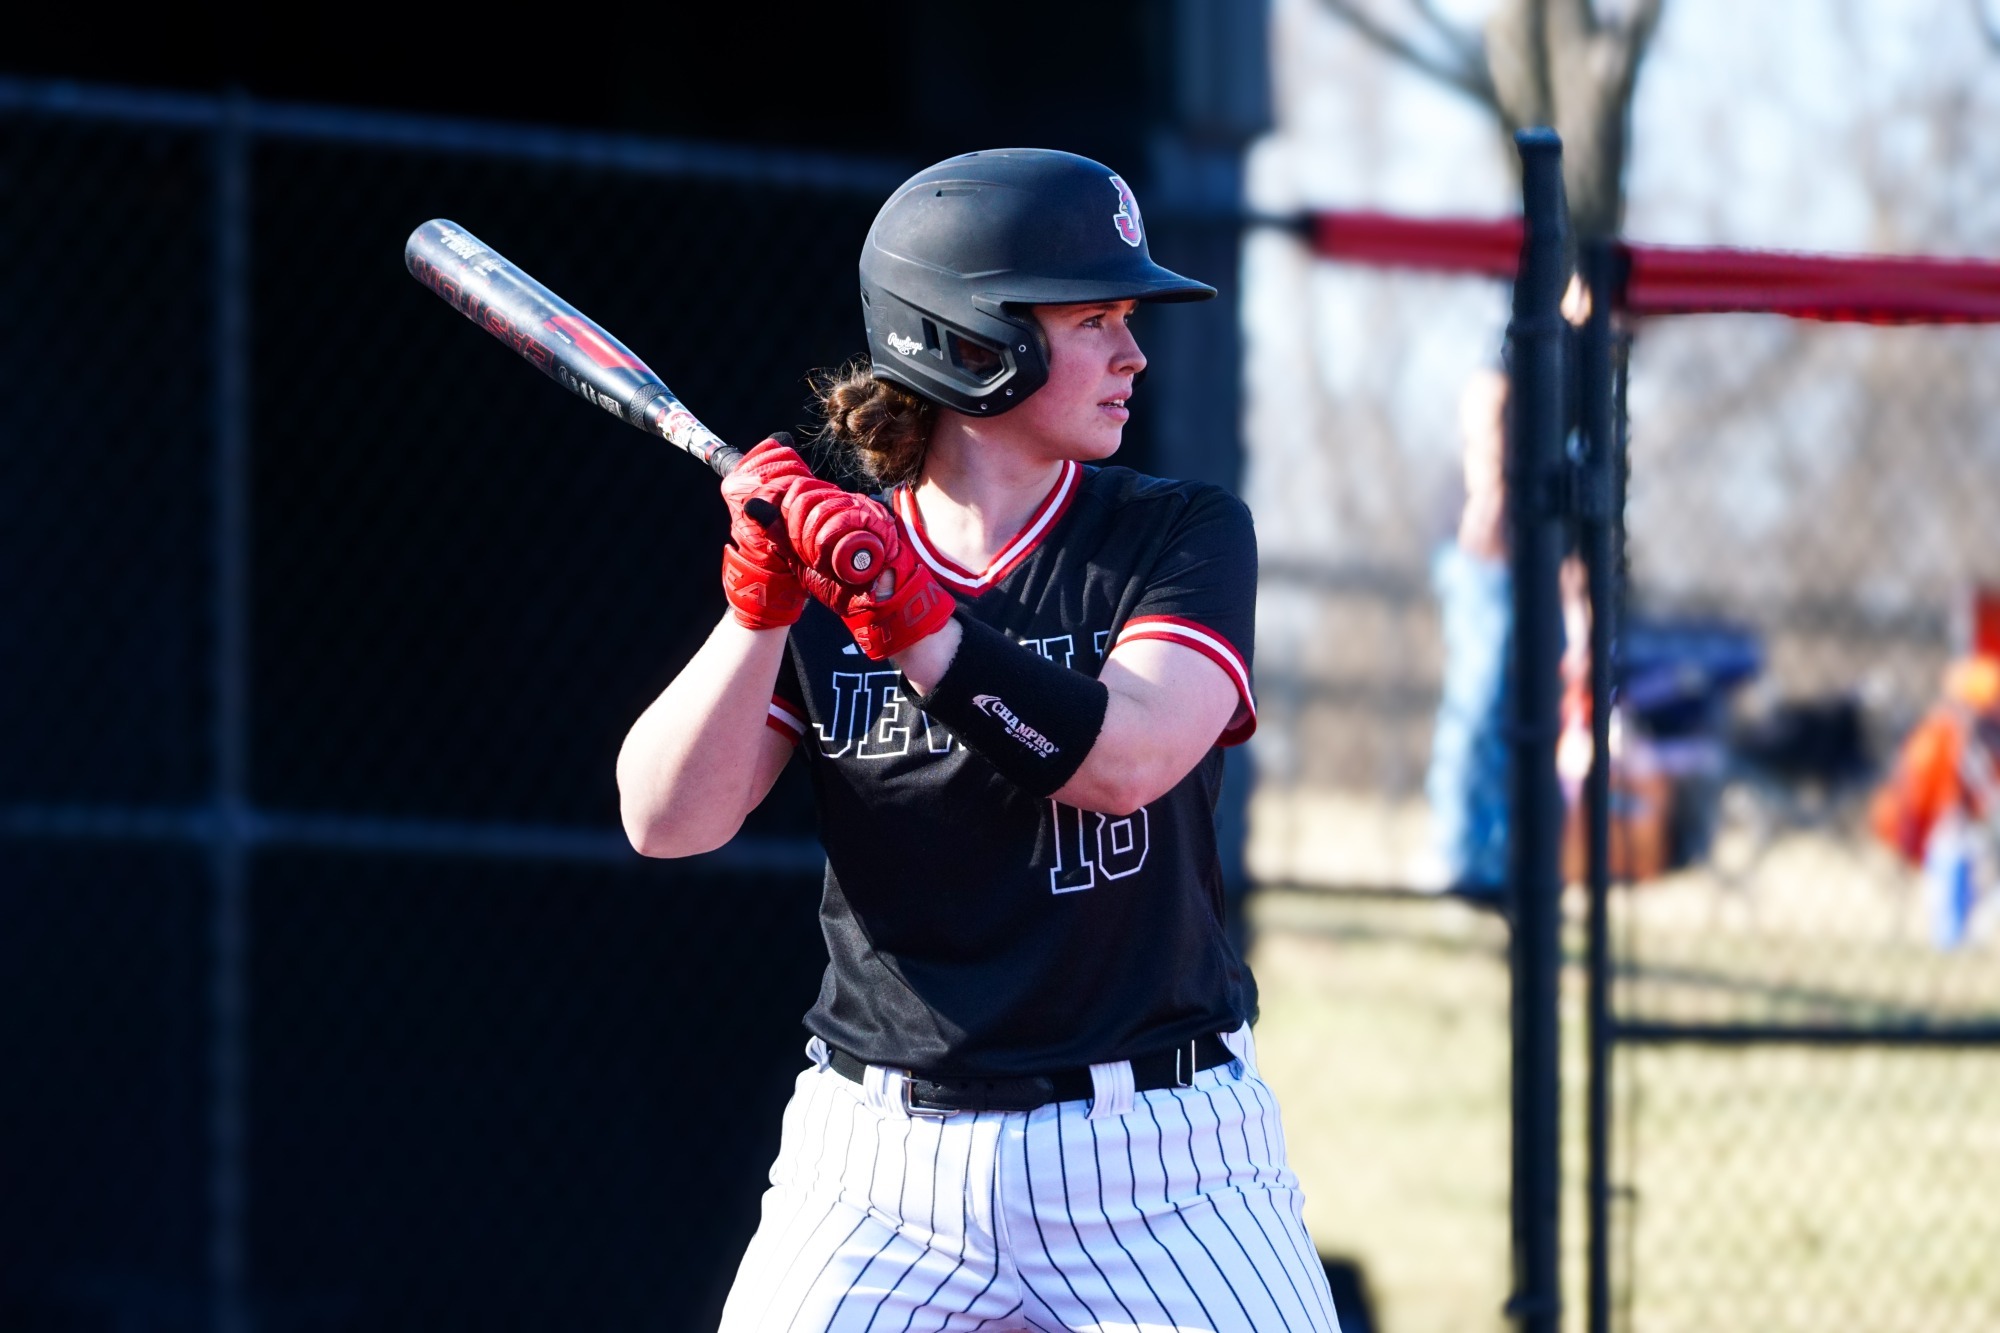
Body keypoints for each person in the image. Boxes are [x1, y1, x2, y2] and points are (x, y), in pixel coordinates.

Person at [616, 149, 1341, 1332]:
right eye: (1092, 319)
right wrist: (758, 609)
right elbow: (665, 820)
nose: (1132, 354)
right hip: (878, 1167)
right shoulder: (834, 563)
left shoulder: (1176, 534)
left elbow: (1126, 761)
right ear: (966, 342)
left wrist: (914, 621)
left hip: (1160, 1161)